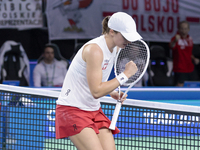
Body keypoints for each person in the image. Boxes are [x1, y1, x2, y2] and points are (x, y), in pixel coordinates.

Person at [55, 12, 141, 150]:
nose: (129, 41)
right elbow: (96, 91)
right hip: (72, 110)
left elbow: (93, 82)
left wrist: (111, 91)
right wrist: (125, 75)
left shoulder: (116, 48)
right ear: (112, 32)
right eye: (125, 36)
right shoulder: (94, 50)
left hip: (93, 109)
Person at [169, 21, 199, 87]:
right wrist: (175, 41)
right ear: (179, 29)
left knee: (194, 86)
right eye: (182, 28)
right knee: (180, 87)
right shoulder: (175, 38)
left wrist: (194, 59)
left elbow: (189, 53)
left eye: (185, 29)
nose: (183, 31)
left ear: (188, 29)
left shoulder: (190, 39)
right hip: (180, 69)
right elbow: (171, 46)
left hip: (190, 68)